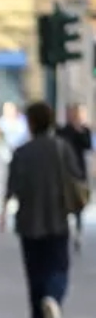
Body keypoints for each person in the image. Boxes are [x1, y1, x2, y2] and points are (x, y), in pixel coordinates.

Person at [0, 100, 83, 318]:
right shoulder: (62, 148)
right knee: (59, 265)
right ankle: (53, 297)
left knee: (34, 269)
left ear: (32, 123)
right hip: (57, 218)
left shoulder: (21, 152)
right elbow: (75, 178)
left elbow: (12, 186)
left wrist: (4, 212)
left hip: (28, 220)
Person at [57, 103, 92, 251]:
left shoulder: (84, 131)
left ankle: (78, 231)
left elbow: (88, 146)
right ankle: (64, 231)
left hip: (79, 172)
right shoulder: (62, 131)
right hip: (64, 172)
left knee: (78, 204)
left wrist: (79, 129)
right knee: (62, 203)